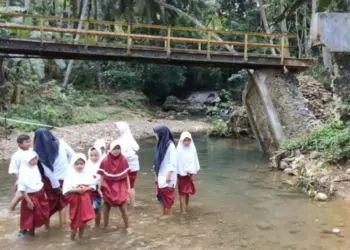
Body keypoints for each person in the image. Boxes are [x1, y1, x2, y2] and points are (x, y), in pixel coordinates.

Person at [34, 128, 75, 228]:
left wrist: (56, 186)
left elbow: (48, 172)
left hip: (49, 182)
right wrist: (68, 168)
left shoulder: (37, 151)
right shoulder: (61, 143)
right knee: (63, 204)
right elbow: (73, 156)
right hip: (64, 178)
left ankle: (47, 229)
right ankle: (63, 226)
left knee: (48, 205)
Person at [97, 140, 131, 233]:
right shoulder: (105, 161)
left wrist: (128, 188)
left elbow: (127, 175)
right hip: (108, 184)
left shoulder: (123, 159)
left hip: (120, 185)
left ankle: (128, 227)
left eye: (118, 148)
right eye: (114, 149)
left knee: (123, 207)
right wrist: (99, 188)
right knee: (106, 206)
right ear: (110, 149)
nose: (116, 151)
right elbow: (101, 175)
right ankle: (106, 226)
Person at [63, 153, 95, 240]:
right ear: (73, 164)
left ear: (85, 164)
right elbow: (66, 190)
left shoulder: (87, 173)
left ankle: (81, 237)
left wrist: (85, 188)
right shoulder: (69, 175)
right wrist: (77, 190)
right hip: (75, 201)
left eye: (81, 163)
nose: (79, 166)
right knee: (74, 221)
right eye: (77, 164)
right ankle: (72, 239)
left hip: (85, 201)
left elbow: (93, 186)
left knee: (83, 221)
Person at [17, 150, 49, 237]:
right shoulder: (23, 173)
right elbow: (22, 190)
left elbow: (38, 182)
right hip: (30, 197)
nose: (35, 160)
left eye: (35, 158)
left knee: (44, 214)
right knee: (31, 218)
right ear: (26, 160)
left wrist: (44, 192)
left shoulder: (35, 169)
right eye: (32, 159)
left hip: (39, 194)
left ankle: (47, 230)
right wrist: (28, 201)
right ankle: (30, 234)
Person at [153, 125, 177, 219]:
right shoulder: (160, 144)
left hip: (168, 173)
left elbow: (173, 161)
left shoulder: (170, 145)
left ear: (161, 133)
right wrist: (156, 173)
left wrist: (169, 174)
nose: (155, 135)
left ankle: (169, 214)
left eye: (156, 133)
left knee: (167, 194)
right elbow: (156, 160)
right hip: (160, 173)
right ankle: (163, 212)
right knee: (160, 193)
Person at [115, 122, 140, 213]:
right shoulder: (128, 138)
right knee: (129, 186)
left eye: (117, 128)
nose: (116, 130)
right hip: (133, 167)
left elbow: (123, 155)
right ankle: (131, 204)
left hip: (128, 168)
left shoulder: (123, 140)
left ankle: (131, 206)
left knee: (129, 186)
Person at [176, 132, 200, 215]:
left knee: (187, 192)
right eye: (185, 140)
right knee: (182, 192)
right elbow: (176, 162)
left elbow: (194, 161)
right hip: (180, 174)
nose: (187, 142)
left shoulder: (192, 149)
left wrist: (193, 173)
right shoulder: (178, 150)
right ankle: (183, 210)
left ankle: (185, 206)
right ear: (182, 140)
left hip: (189, 174)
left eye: (188, 140)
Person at [8, 134, 32, 212]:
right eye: (26, 142)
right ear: (19, 144)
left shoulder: (32, 151)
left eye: (29, 141)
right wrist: (20, 181)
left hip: (33, 179)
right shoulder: (16, 155)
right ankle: (9, 212)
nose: (29, 143)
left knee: (32, 196)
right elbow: (14, 170)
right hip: (22, 179)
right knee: (19, 196)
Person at [86, 147, 103, 227]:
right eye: (91, 155)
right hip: (87, 190)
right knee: (86, 209)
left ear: (99, 155)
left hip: (97, 190)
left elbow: (102, 177)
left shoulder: (101, 164)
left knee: (96, 208)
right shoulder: (86, 165)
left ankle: (97, 225)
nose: (94, 157)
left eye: (96, 155)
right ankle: (85, 225)